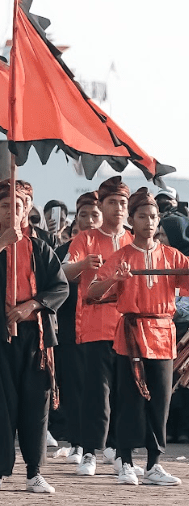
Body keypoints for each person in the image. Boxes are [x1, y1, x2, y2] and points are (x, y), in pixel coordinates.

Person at [0, 179, 68, 493]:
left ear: (26, 211)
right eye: (5, 206)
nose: (12, 211)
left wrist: (32, 306)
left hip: (35, 336)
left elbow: (60, 287)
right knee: (2, 404)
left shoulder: (40, 247)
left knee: (35, 406)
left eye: (18, 206)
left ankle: (35, 472)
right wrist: (0, 243)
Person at [89, 188, 187, 486]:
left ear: (159, 221)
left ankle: (155, 464)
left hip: (163, 336)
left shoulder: (172, 256)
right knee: (129, 401)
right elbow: (92, 293)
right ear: (132, 220)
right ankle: (126, 461)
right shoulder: (120, 256)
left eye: (153, 216)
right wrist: (114, 279)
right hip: (131, 335)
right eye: (142, 216)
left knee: (160, 403)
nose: (148, 221)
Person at [63, 176, 132, 475]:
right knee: (96, 392)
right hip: (94, 324)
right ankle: (90, 450)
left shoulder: (134, 240)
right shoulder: (85, 239)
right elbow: (63, 271)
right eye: (112, 203)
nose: (117, 208)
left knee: (125, 392)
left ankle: (119, 452)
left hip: (128, 327)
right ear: (101, 206)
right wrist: (82, 266)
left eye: (122, 203)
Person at [53, 191, 102, 464]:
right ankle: (76, 441)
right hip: (70, 327)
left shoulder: (115, 249)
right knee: (72, 385)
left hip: (104, 328)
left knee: (101, 387)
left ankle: (102, 443)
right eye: (83, 215)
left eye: (94, 214)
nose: (89, 220)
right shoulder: (63, 252)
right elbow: (55, 287)